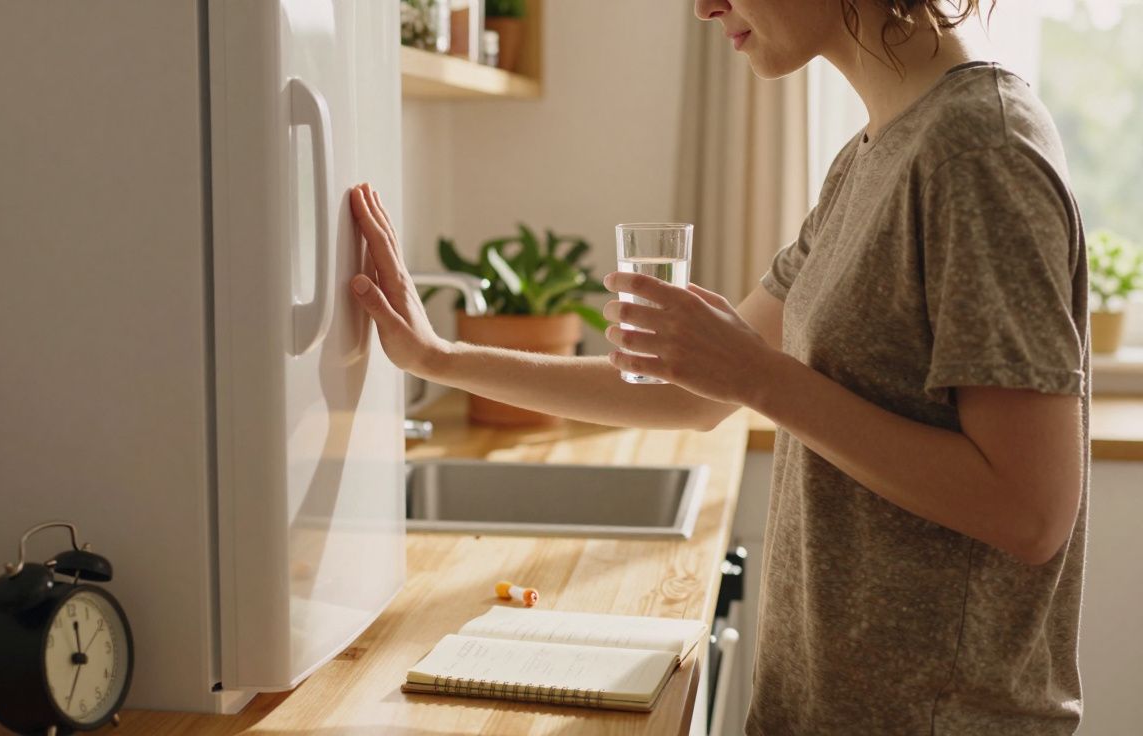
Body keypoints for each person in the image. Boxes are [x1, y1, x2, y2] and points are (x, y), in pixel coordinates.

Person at [349, 0, 1087, 732]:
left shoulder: (981, 151)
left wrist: (758, 377)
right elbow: (689, 397)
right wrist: (437, 357)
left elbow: (1030, 510)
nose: (704, 7)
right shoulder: (875, 151)